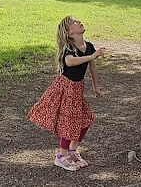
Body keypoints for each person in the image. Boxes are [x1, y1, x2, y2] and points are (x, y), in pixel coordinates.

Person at [28, 15, 104, 171]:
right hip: (65, 88)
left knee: (87, 119)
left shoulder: (88, 46)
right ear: (69, 33)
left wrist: (96, 87)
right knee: (69, 122)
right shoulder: (68, 48)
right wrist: (92, 55)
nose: (79, 22)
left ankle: (72, 150)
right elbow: (70, 61)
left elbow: (93, 67)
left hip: (78, 89)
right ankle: (61, 156)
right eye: (74, 23)